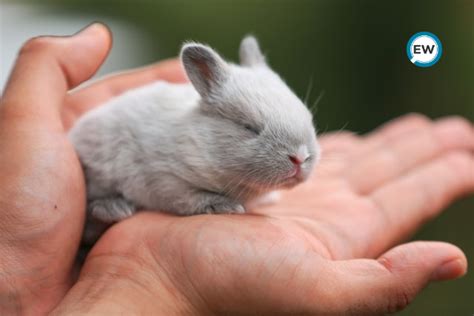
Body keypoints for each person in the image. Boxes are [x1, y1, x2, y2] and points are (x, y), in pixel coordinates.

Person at [0, 23, 472, 315]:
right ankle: (95, 213)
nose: (300, 157)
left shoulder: (277, 140)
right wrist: (201, 203)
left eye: (306, 139)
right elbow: (164, 182)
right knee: (111, 180)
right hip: (107, 166)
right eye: (250, 130)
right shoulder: (176, 145)